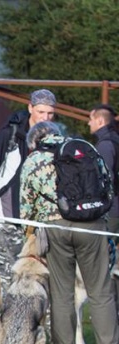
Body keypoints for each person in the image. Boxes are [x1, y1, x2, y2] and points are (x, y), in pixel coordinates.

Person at [19, 121, 119, 344]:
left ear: (35, 142)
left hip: (56, 229)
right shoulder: (85, 150)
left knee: (62, 292)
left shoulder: (33, 161)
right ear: (58, 134)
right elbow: (107, 186)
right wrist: (100, 220)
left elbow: (26, 207)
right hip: (92, 226)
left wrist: (30, 233)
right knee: (101, 289)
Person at [0, 89, 57, 297]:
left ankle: (40, 328)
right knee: (10, 278)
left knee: (42, 279)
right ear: (30, 108)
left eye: (50, 114)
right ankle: (8, 328)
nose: (45, 118)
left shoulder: (55, 136)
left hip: (38, 221)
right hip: (5, 216)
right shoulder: (7, 134)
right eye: (41, 112)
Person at [88, 104, 119, 311]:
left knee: (107, 263)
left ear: (99, 121)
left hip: (112, 210)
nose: (88, 123)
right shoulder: (113, 141)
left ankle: (110, 310)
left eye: (90, 119)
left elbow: (103, 179)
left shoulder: (105, 145)